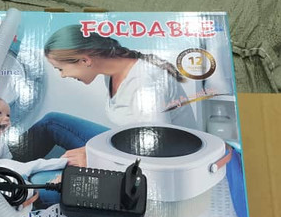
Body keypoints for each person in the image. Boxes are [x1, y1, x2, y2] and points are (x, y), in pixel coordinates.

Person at [11, 25, 197, 167]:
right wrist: (96, 151)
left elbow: (156, 152)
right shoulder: (111, 74)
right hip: (130, 146)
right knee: (52, 122)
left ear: (85, 60)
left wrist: (96, 158)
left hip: (164, 166)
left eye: (61, 69)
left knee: (45, 186)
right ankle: (3, 163)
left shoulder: (146, 86)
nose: (63, 76)